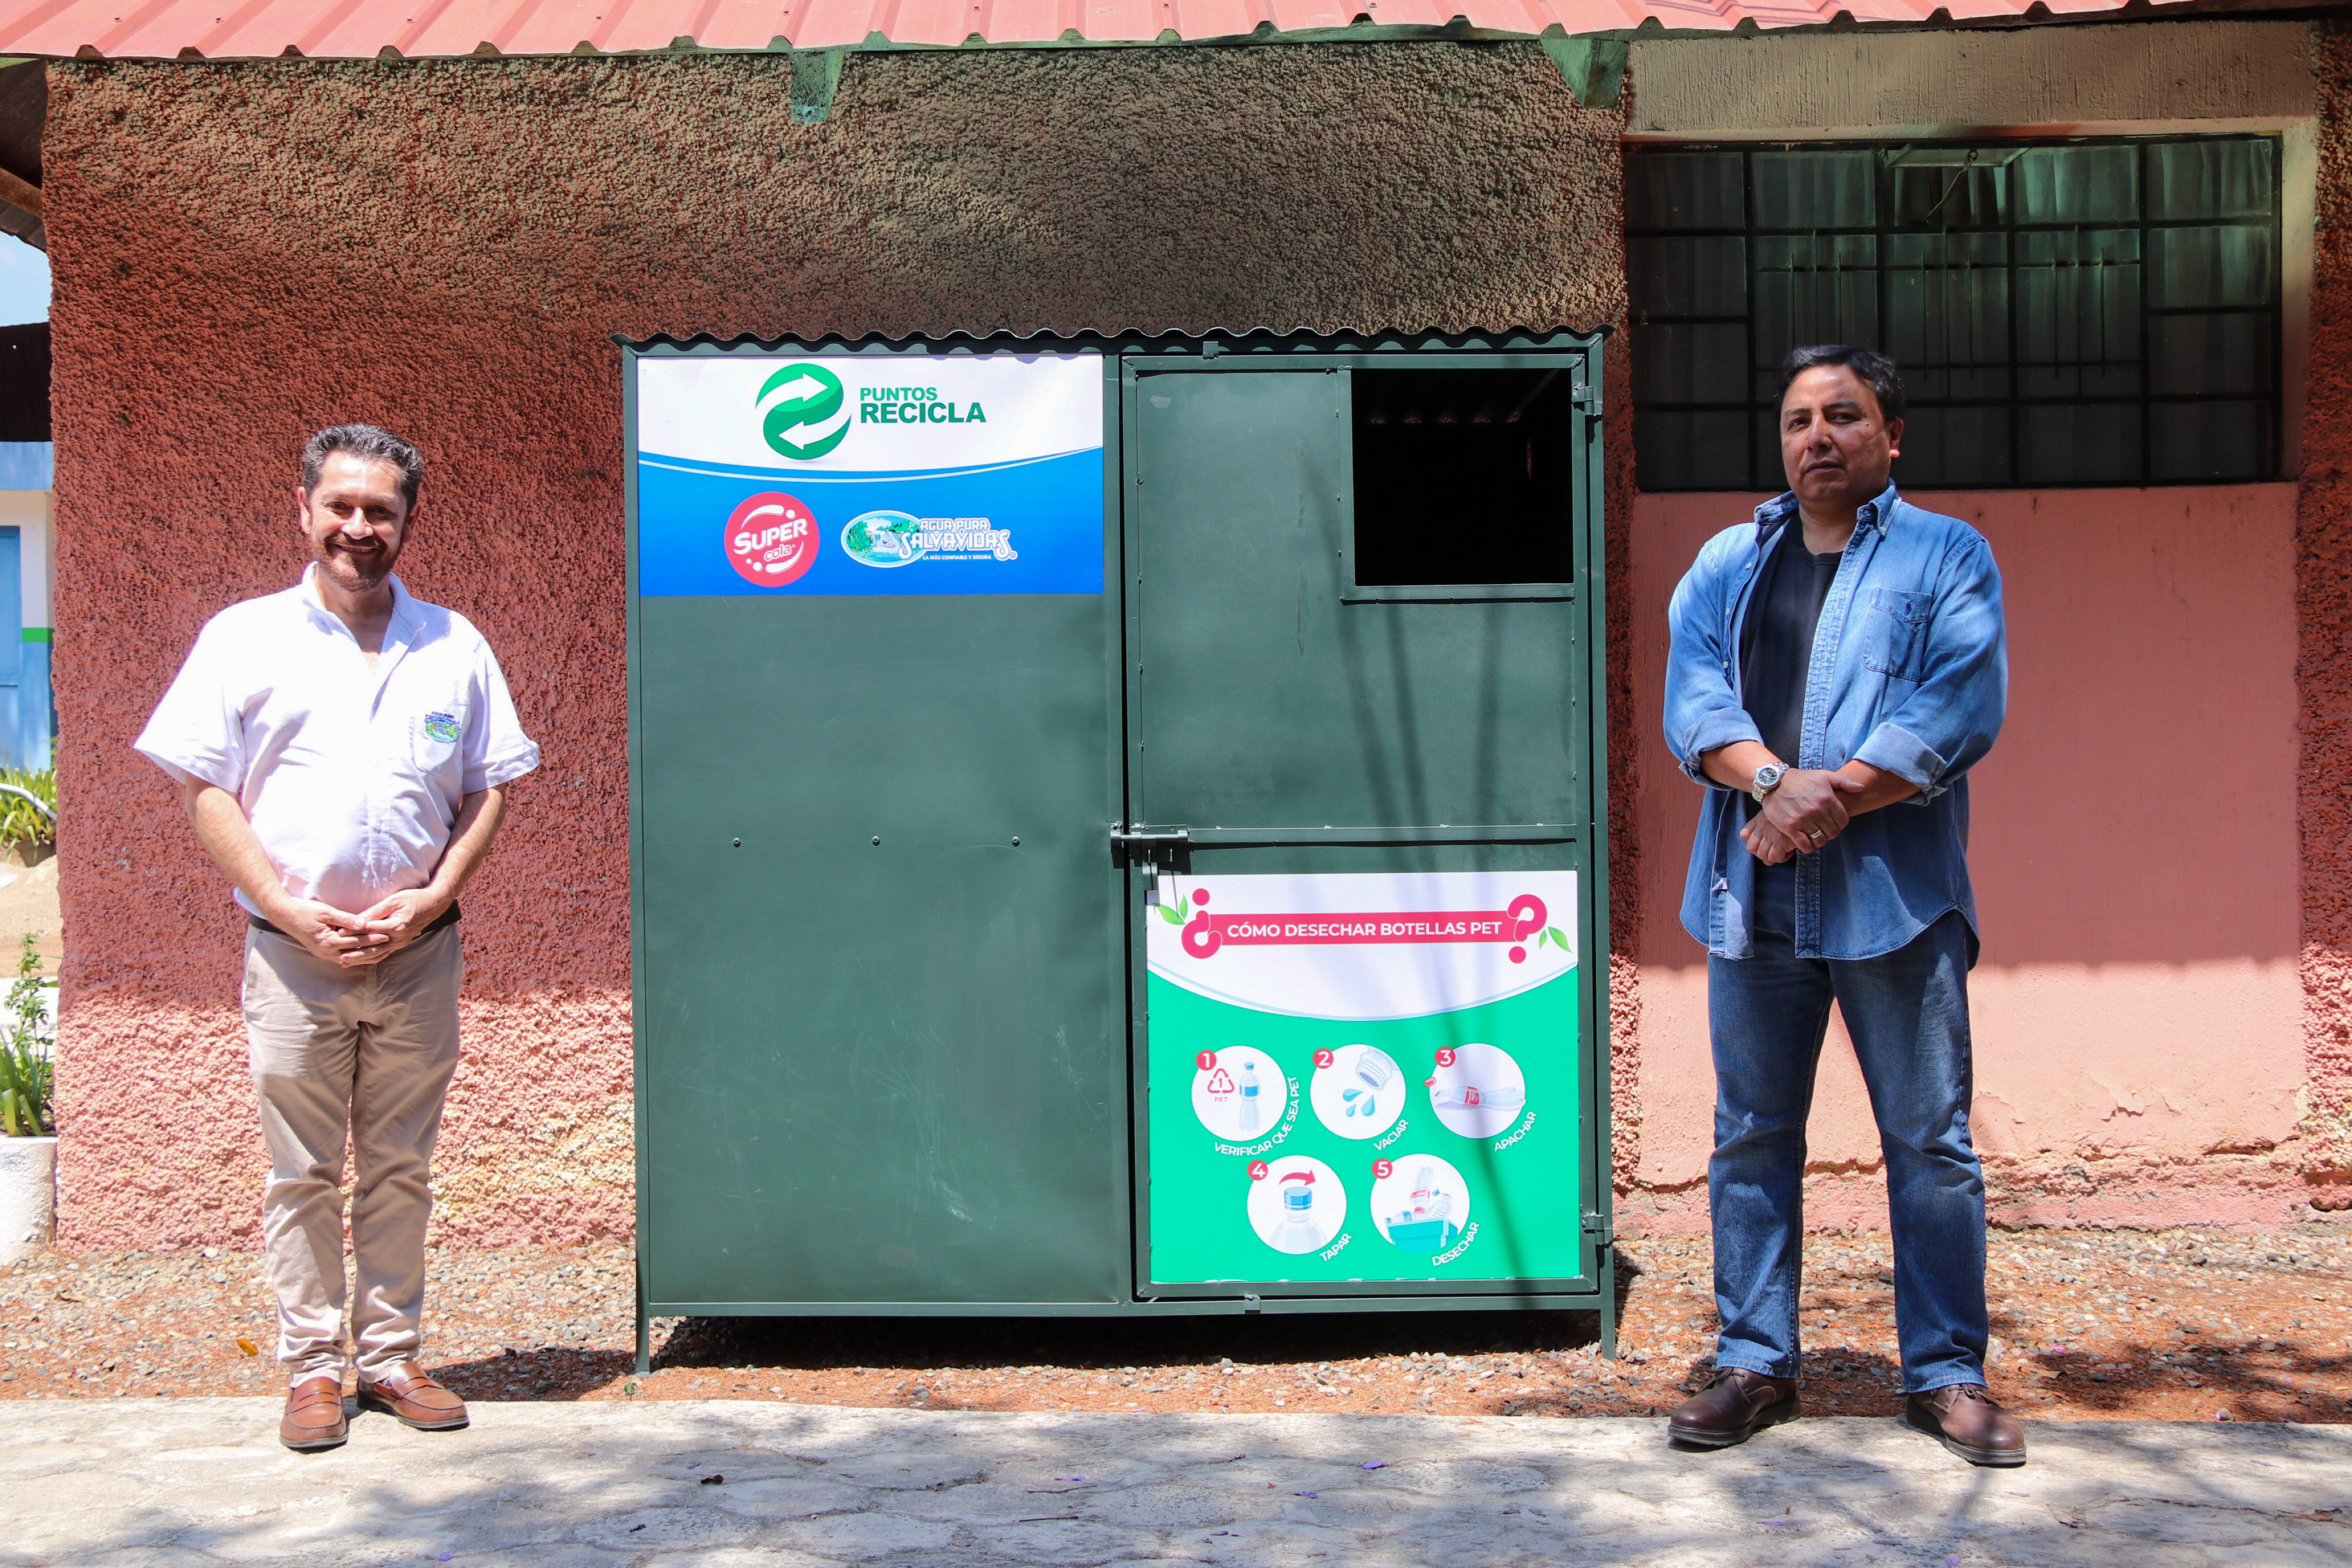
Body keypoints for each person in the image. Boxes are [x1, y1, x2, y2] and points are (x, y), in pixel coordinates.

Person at [135, 425, 538, 1452]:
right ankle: (313, 1373)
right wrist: (281, 904)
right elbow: (203, 788)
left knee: (401, 1165)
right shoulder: (243, 638)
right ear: (304, 509)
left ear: (409, 521)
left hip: (419, 953)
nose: (360, 529)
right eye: (342, 507)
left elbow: (491, 789)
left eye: (382, 512)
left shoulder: (455, 643)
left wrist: (432, 894)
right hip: (290, 957)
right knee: (302, 1172)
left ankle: (392, 1357)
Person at [1659, 348, 2021, 1466]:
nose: (1817, 436)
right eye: (1798, 420)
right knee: (1753, 1136)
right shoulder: (1728, 561)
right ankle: (1756, 1362)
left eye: (1844, 416)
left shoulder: (1947, 555)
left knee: (1930, 1144)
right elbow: (1696, 698)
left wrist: (1830, 802)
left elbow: (1957, 707)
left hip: (1896, 907)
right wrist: (1776, 786)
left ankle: (1948, 1374)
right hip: (1750, 897)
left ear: (1891, 435)